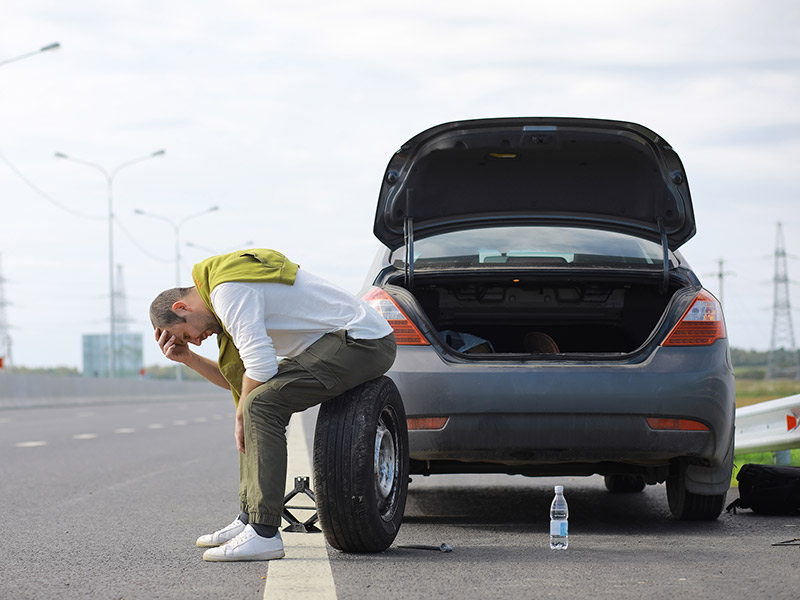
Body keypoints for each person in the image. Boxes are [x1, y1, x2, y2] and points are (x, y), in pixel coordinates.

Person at [149, 248, 396, 562]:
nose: (198, 340)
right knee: (253, 403)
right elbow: (241, 382)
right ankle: (249, 518)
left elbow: (261, 368)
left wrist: (241, 416)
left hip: (362, 341)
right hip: (341, 341)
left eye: (187, 335)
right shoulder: (221, 297)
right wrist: (188, 359)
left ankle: (264, 533)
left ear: (182, 307)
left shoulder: (228, 291)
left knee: (258, 406)